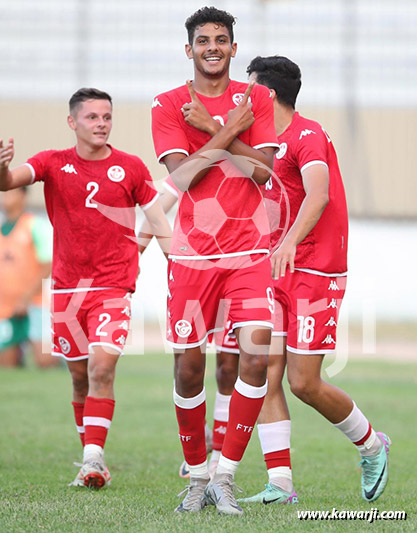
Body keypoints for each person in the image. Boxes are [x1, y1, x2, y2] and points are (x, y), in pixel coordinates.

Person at [0, 87, 172, 489]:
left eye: (106, 117)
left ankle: (94, 458)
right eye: (92, 117)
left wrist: (175, 260)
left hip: (113, 287)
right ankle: (91, 460)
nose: (101, 124)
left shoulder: (129, 167)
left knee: (101, 367)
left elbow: (156, 215)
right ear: (72, 122)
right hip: (66, 292)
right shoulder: (52, 163)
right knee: (79, 378)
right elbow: (9, 182)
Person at [238, 56, 390, 505]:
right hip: (276, 271)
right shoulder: (262, 142)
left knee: (304, 383)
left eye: (248, 90)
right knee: (266, 372)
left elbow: (318, 194)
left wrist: (287, 241)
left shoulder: (308, 134)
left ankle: (371, 445)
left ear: (265, 94)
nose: (242, 97)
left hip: (315, 271)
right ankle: (280, 484)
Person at [151, 7, 280, 515]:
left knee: (253, 357)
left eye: (221, 39)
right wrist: (225, 130)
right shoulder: (167, 104)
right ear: (189, 49)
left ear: (232, 47)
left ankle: (224, 477)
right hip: (192, 256)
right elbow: (181, 179)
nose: (212, 46)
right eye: (202, 39)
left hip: (249, 251)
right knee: (188, 368)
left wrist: (213, 129)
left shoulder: (259, 98)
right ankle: (196, 475)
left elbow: (262, 173)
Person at [138, 175, 240, 480]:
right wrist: (140, 251)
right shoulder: (190, 161)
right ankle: (202, 439)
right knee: (187, 365)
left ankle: (219, 456)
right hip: (193, 272)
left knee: (228, 363)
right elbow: (157, 206)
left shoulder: (244, 157)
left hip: (237, 267)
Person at [0, 187, 57, 368]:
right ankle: (19, 352)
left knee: (45, 361)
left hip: (34, 303)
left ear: (23, 196)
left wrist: (25, 298)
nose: (6, 197)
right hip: (5, 307)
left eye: (11, 192)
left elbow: (47, 265)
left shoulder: (34, 225)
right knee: (7, 364)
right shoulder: (2, 229)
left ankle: (66, 359)